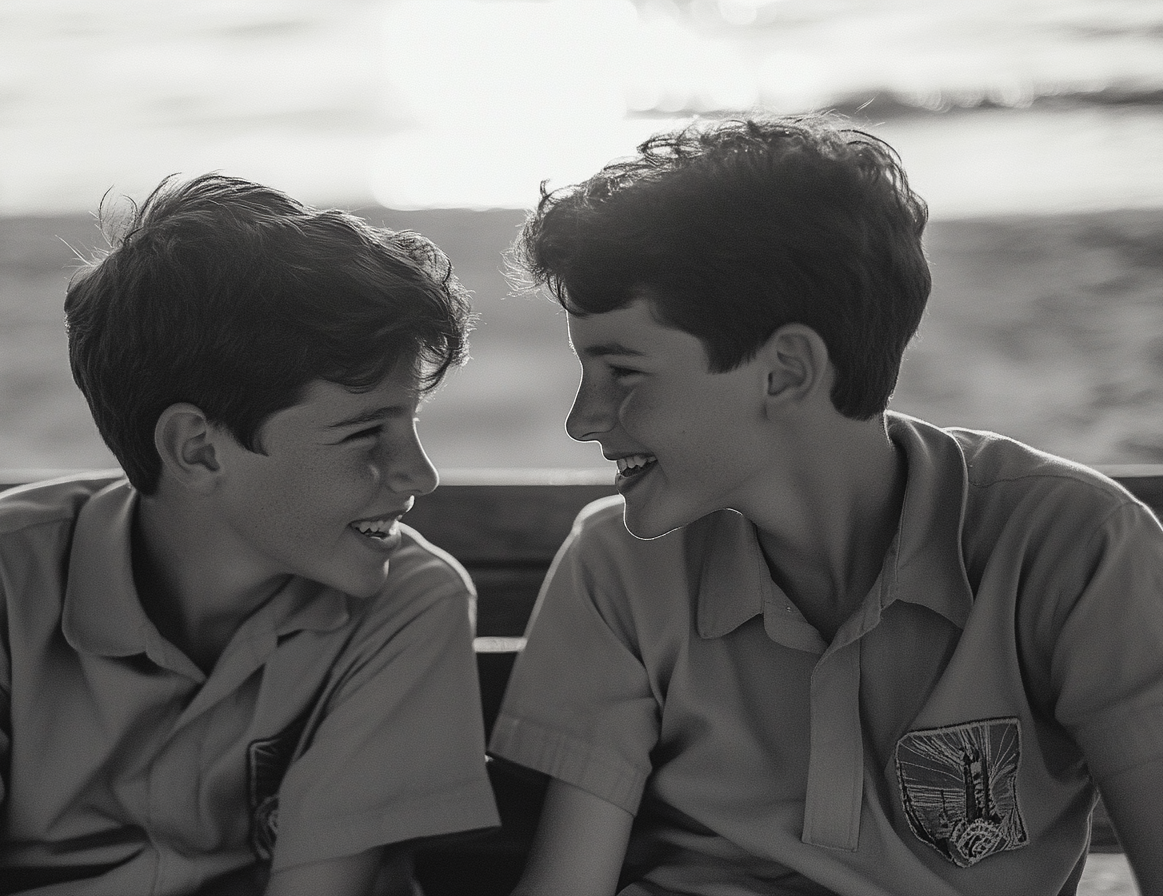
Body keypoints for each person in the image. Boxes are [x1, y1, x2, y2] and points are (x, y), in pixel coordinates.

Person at [490, 115, 1163, 895]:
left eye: (623, 372)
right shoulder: (614, 565)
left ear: (784, 371)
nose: (583, 419)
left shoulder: (1075, 547)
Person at [0, 174, 500, 896]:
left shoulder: (406, 604)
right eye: (368, 433)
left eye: (412, 422)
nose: (420, 475)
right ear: (198, 448)